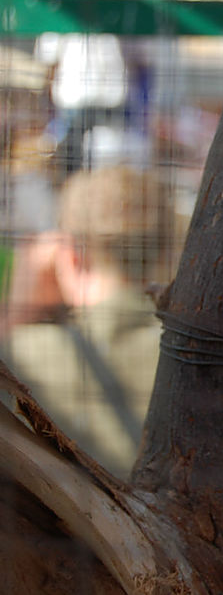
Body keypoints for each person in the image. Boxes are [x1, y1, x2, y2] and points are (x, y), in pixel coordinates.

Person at [1, 166, 175, 477]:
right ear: (164, 255)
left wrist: (18, 310)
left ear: (71, 257)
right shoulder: (193, 353)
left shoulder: (24, 355)